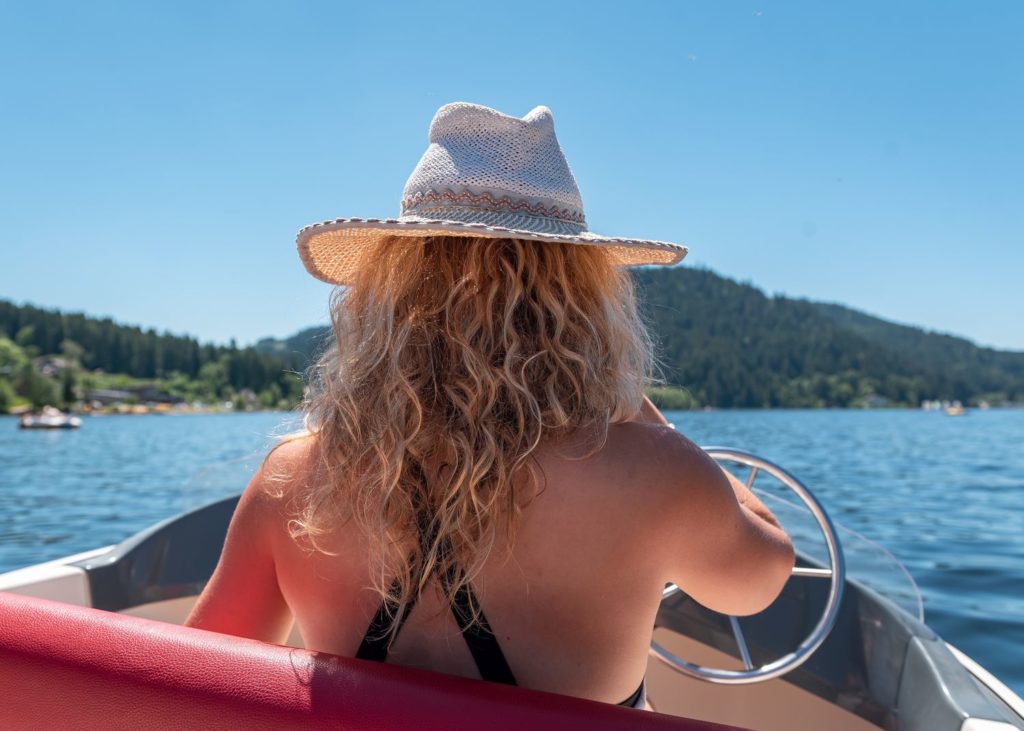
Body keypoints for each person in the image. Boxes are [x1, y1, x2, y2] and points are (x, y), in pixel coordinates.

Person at [185, 102, 794, 711]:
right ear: (585, 304)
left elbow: (193, 681)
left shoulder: (294, 477)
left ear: (385, 301)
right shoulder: (649, 471)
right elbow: (759, 582)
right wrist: (642, 414)